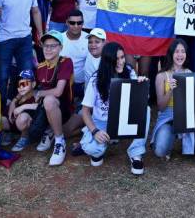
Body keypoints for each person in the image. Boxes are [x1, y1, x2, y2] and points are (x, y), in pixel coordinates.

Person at [80, 42, 150, 174]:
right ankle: (102, 143)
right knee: (91, 149)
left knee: (146, 109)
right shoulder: (96, 79)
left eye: (122, 57)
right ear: (107, 61)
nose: (121, 62)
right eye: (116, 59)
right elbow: (85, 111)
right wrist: (95, 131)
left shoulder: (129, 71)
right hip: (103, 121)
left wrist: (140, 86)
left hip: (124, 117)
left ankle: (136, 153)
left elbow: (139, 102)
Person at [152, 39, 195, 168]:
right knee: (159, 150)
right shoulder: (162, 76)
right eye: (177, 52)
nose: (180, 55)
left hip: (188, 117)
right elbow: (161, 106)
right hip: (168, 117)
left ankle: (192, 142)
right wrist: (170, 90)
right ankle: (170, 141)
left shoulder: (190, 74)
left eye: (183, 51)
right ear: (171, 54)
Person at [0, 0, 42, 102]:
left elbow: (36, 11)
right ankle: (1, 108)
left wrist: (41, 33)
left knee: (26, 74)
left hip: (25, 38)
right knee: (2, 76)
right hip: (4, 39)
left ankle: (22, 106)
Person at [33, 30, 75, 166]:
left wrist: (39, 94)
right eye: (46, 46)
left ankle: (59, 141)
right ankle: (50, 131)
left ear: (60, 47)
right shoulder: (40, 67)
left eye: (53, 46)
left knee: (49, 100)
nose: (48, 49)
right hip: (46, 109)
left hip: (64, 107)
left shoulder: (66, 61)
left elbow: (58, 92)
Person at [3, 69, 38, 152]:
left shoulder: (36, 94)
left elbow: (40, 106)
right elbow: (14, 101)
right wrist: (13, 103)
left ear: (33, 84)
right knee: (0, 119)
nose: (21, 87)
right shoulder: (20, 96)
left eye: (24, 84)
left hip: (27, 125)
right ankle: (10, 134)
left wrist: (23, 107)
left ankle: (24, 137)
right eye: (18, 85)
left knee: (22, 118)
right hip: (15, 123)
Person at [59, 10, 89, 101]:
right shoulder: (59, 39)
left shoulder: (89, 40)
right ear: (66, 22)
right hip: (62, 85)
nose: (76, 26)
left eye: (79, 23)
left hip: (82, 86)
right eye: (72, 23)